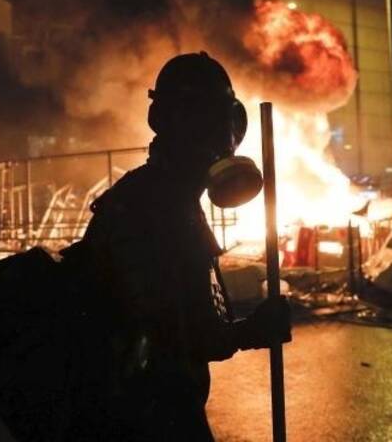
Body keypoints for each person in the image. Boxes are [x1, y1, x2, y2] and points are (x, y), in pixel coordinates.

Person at [60, 52, 291, 441]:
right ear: (172, 124)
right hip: (139, 416)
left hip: (157, 407)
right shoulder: (147, 207)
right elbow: (172, 335)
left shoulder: (172, 200)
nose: (222, 139)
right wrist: (251, 331)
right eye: (209, 123)